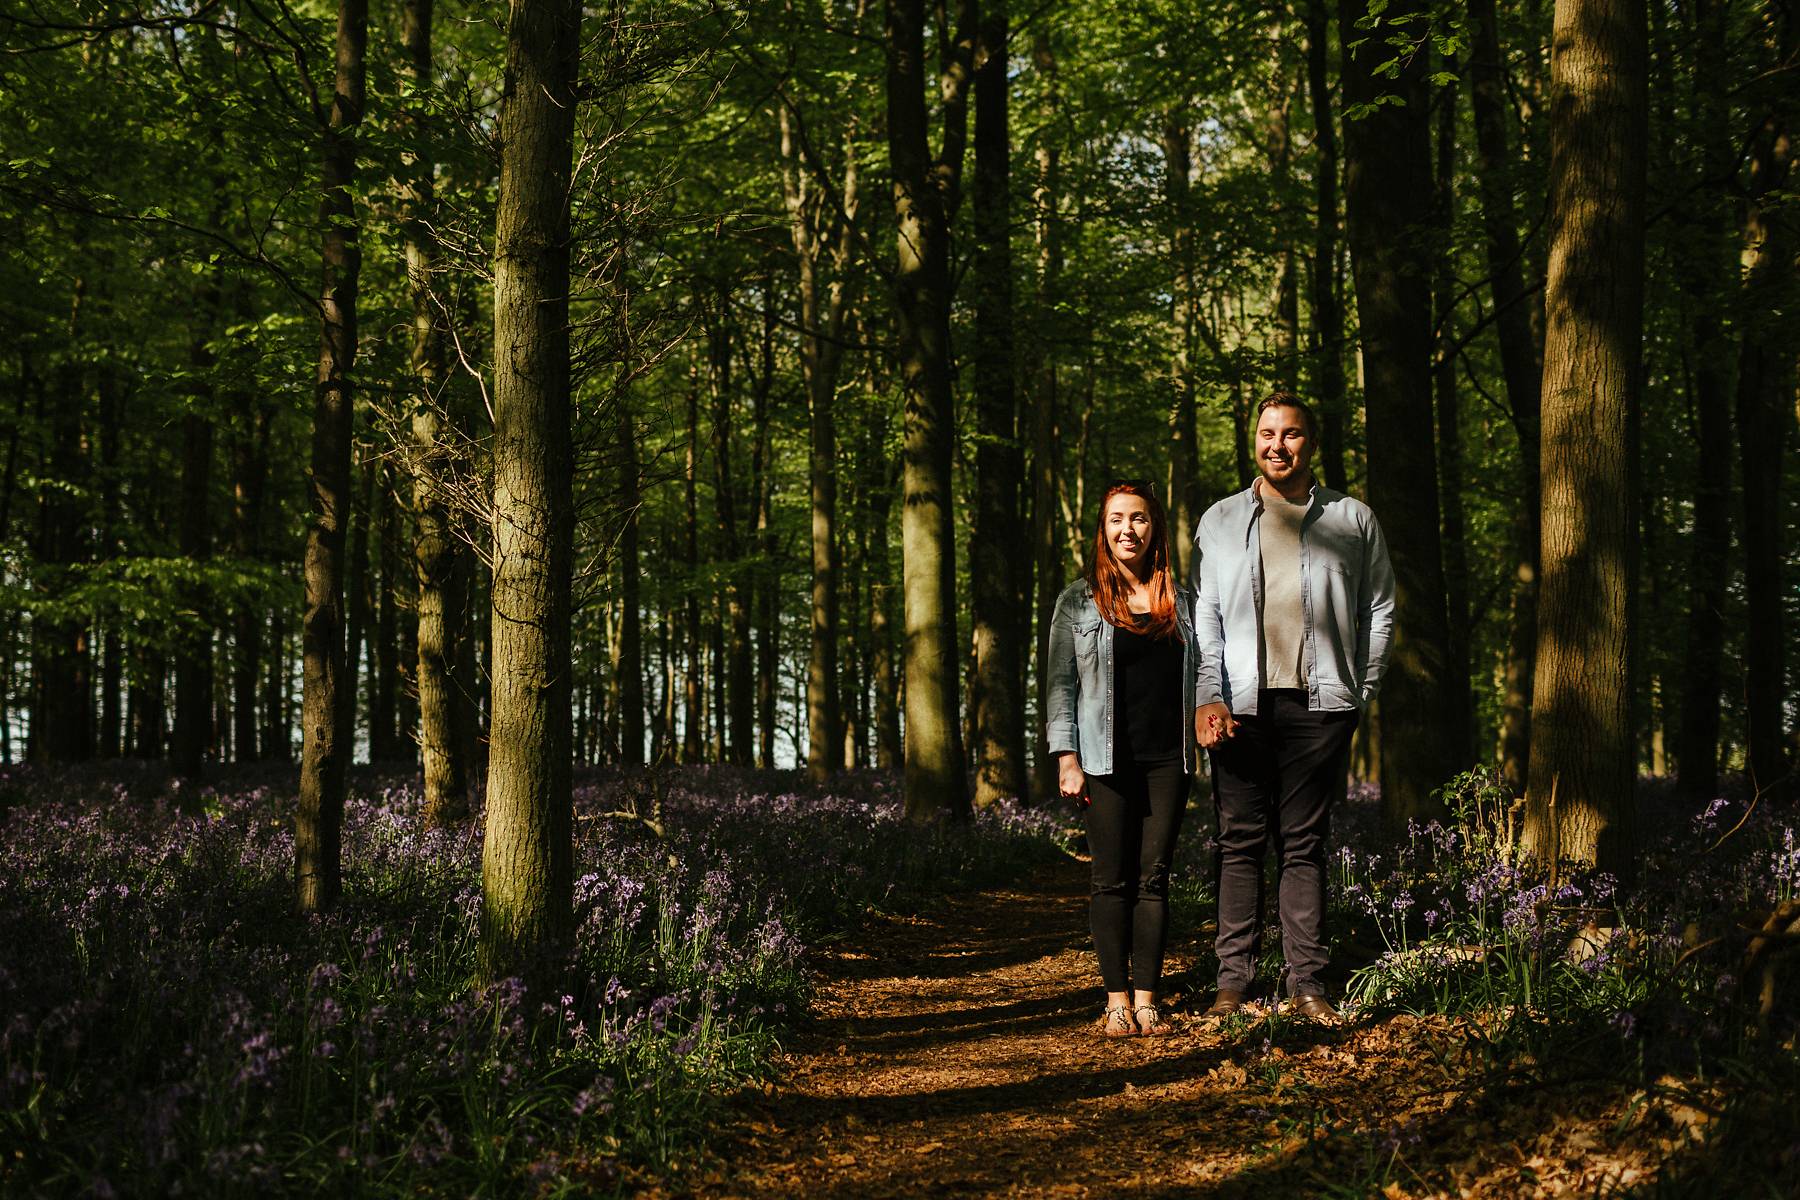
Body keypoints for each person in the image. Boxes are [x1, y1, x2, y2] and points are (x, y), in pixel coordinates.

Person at [1191, 392, 1395, 1021]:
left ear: (1312, 443)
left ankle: (1307, 982)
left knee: (1304, 843)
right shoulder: (1220, 520)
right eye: (1267, 433)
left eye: (1291, 434)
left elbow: (1379, 609)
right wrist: (1208, 696)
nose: (1277, 444)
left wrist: (1359, 692)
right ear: (1253, 440)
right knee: (1240, 841)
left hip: (1320, 707)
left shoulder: (1352, 520)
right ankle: (1234, 982)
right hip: (1240, 708)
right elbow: (1207, 619)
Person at [1046, 481, 1199, 1038]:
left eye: (1137, 519)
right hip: (1103, 759)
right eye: (1116, 520)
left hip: (1168, 760)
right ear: (1103, 530)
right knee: (1110, 881)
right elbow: (1060, 685)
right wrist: (1067, 757)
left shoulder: (1182, 603)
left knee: (1154, 879)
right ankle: (1114, 1000)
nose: (1127, 530)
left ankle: (1147, 999)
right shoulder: (1077, 601)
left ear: (1153, 527)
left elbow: (1205, 677)